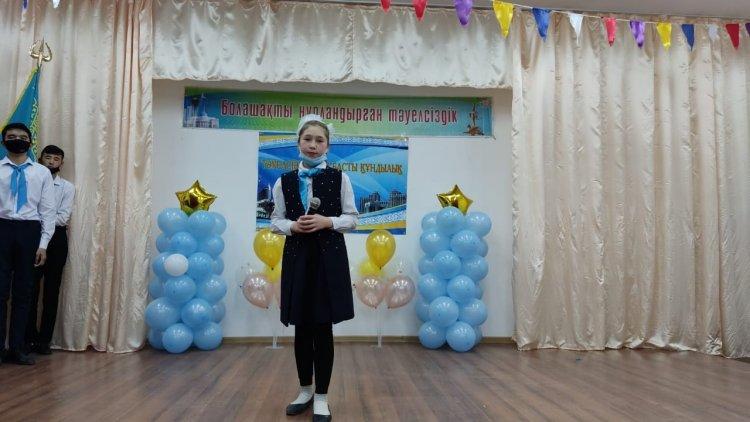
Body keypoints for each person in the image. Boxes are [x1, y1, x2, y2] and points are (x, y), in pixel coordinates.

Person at [270, 114, 358, 422]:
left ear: (327, 146)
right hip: (298, 259)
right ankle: (304, 390)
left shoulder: (340, 178)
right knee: (301, 328)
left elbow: (352, 218)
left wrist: (327, 221)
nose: (313, 144)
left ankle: (321, 397)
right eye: (307, 139)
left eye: (320, 140)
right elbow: (275, 221)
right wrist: (292, 226)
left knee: (322, 328)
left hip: (328, 261)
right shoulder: (283, 181)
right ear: (298, 142)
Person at [0, 123, 56, 365]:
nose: (17, 140)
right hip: (2, 228)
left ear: (30, 142)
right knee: (0, 292)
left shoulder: (41, 172)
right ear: (3, 141)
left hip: (29, 230)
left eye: (22, 137)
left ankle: (18, 348)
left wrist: (43, 244)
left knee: (24, 293)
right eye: (11, 136)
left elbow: (48, 211)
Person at [26, 144, 75, 355]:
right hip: (32, 237)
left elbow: (63, 217)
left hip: (57, 240)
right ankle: (28, 338)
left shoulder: (67, 187)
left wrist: (42, 219)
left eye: (56, 158)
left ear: (61, 163)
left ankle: (44, 340)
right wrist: (43, 219)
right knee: (30, 290)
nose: (51, 161)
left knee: (52, 291)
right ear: (40, 159)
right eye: (48, 157)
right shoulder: (31, 180)